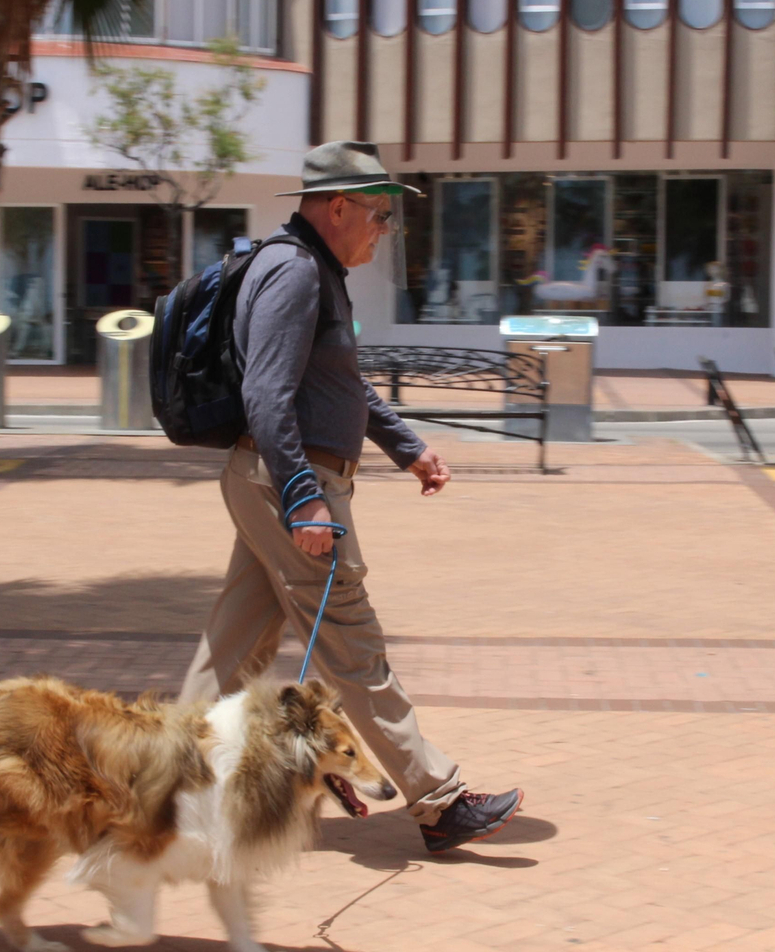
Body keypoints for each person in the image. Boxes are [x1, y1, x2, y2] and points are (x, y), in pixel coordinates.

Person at [177, 141, 523, 853]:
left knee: (231, 649)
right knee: (353, 643)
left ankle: (157, 777)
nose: (383, 230)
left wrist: (406, 446)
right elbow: (266, 393)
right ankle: (438, 799)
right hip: (290, 488)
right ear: (337, 206)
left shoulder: (313, 271)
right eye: (378, 214)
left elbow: (340, 384)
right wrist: (305, 497)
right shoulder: (296, 273)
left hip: (276, 483)